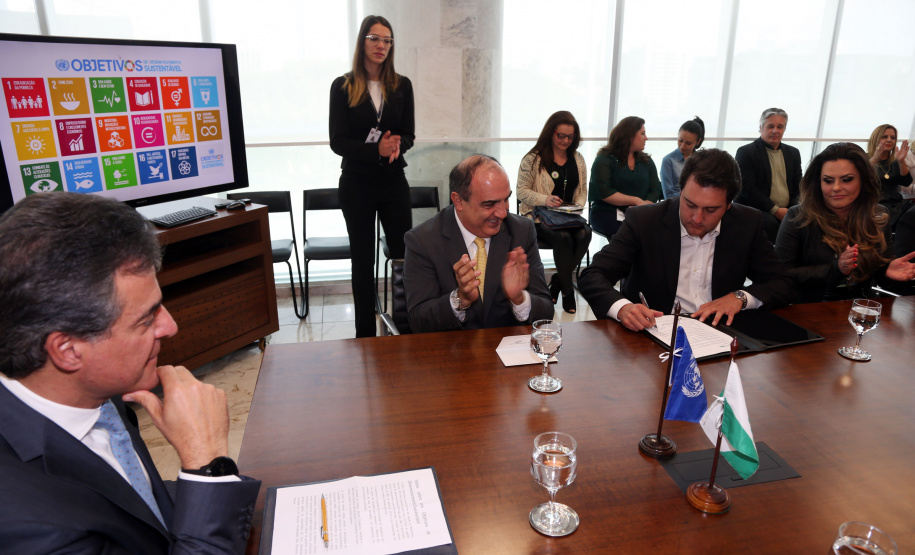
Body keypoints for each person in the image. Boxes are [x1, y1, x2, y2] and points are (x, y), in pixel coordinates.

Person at [0, 193, 261, 554]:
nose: (170, 326)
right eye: (146, 318)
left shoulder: (102, 390)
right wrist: (207, 463)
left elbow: (136, 504)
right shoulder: (31, 528)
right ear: (68, 350)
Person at [578, 148, 794, 332]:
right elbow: (593, 275)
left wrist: (740, 298)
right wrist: (623, 308)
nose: (697, 218)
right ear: (680, 191)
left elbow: (781, 282)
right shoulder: (645, 220)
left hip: (719, 333)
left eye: (710, 209)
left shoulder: (747, 222)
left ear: (728, 205)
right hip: (653, 333)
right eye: (690, 204)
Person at [329, 15, 414, 337]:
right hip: (357, 183)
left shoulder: (402, 85)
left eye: (388, 40)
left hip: (393, 182)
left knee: (403, 257)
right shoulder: (343, 86)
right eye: (375, 39)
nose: (382, 46)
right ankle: (365, 334)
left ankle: (404, 326)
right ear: (362, 41)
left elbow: (409, 134)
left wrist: (396, 145)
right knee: (362, 262)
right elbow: (338, 142)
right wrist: (375, 150)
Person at [403, 154, 554, 333]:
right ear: (458, 201)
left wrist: (519, 298)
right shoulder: (423, 240)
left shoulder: (522, 231)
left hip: (506, 351)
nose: (502, 213)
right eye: (489, 204)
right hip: (451, 352)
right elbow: (418, 321)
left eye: (505, 199)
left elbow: (546, 312)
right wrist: (460, 299)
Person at [775, 142, 915, 302]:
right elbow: (781, 275)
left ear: (863, 181)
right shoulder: (798, 216)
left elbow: (879, 275)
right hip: (806, 309)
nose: (836, 187)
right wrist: (836, 268)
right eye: (828, 181)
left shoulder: (878, 215)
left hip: (858, 309)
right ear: (818, 182)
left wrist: (888, 272)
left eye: (846, 180)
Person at [517, 110, 592, 314]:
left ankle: (559, 279)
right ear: (551, 133)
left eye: (571, 137)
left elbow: (583, 190)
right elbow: (521, 191)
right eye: (561, 136)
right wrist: (545, 199)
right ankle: (568, 292)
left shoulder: (578, 159)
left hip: (568, 216)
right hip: (539, 217)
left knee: (586, 233)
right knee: (564, 237)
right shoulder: (533, 159)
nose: (566, 141)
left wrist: (577, 205)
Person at [734, 108, 803, 243]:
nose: (775, 131)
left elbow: (798, 186)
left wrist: (791, 210)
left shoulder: (793, 153)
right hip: (755, 208)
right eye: (770, 126)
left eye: (780, 127)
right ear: (761, 127)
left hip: (787, 209)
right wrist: (776, 210)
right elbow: (748, 189)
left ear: (784, 129)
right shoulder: (746, 152)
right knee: (771, 225)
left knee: (806, 222)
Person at [588, 116, 662, 238]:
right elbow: (605, 192)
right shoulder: (604, 160)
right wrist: (636, 201)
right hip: (607, 212)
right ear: (630, 135)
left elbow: (655, 189)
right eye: (642, 133)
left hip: (640, 212)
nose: (646, 138)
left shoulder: (647, 161)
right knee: (630, 233)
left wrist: (644, 206)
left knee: (660, 232)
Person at [866, 123, 912, 229]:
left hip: (896, 204)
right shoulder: (865, 158)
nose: (889, 140)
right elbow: (860, 177)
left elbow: (906, 182)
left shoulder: (895, 161)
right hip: (873, 205)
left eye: (893, 138)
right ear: (876, 138)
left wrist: (901, 162)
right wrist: (874, 159)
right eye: (884, 137)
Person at [660, 116, 705, 199]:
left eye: (688, 143)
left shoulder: (703, 161)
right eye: (680, 140)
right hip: (677, 206)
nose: (683, 146)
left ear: (698, 142)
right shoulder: (668, 161)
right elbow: (669, 195)